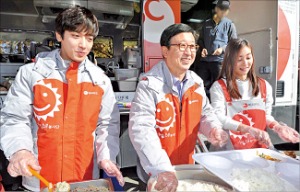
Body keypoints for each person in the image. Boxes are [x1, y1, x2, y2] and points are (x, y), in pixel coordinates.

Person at [0, 6, 123, 191]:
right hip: (40, 178)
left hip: (85, 179)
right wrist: (20, 151)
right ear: (59, 35)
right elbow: (15, 118)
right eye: (76, 36)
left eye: (89, 38)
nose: (84, 45)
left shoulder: (100, 80)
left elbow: (106, 126)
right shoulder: (32, 74)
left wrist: (107, 157)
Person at [129, 23, 229, 192]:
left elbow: (205, 114)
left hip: (186, 169)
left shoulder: (196, 83)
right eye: (182, 46)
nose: (189, 52)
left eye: (192, 46)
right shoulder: (150, 84)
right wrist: (162, 168)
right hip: (156, 172)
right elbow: (141, 129)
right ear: (165, 51)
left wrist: (213, 129)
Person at [210, 38, 300, 150]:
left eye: (248, 57)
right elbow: (218, 117)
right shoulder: (219, 86)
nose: (245, 63)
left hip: (259, 148)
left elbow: (265, 115)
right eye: (239, 59)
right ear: (230, 61)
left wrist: (277, 127)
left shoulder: (263, 85)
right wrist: (248, 129)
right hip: (230, 151)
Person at [194, 0, 237, 97]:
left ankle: (218, 106)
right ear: (216, 9)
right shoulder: (206, 23)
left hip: (219, 62)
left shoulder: (229, 25)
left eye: (225, 10)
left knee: (219, 86)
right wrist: (203, 48)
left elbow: (233, 43)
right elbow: (200, 40)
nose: (223, 12)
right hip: (205, 61)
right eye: (221, 9)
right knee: (198, 84)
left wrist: (222, 49)